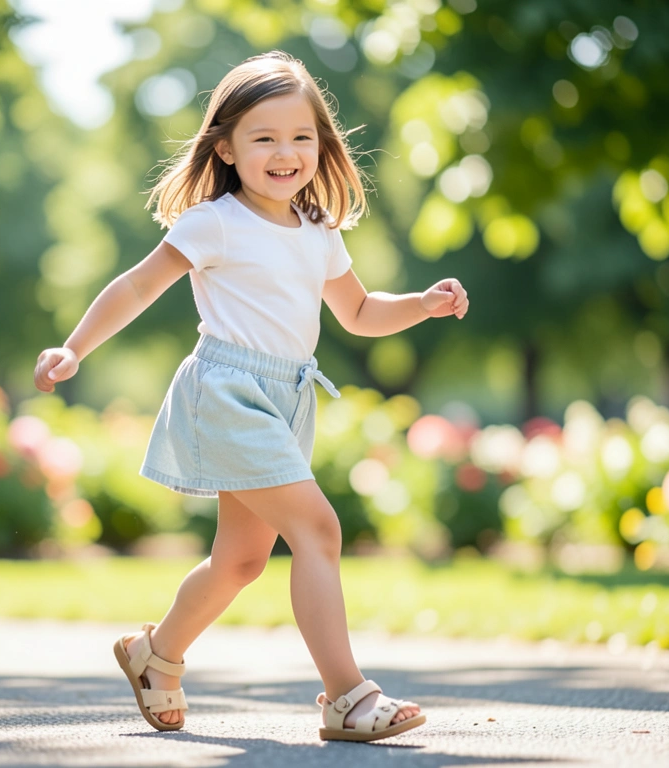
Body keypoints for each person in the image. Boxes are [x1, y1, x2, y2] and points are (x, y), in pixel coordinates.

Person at [33, 51, 468, 743]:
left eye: (301, 136)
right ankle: (346, 697)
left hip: (287, 398)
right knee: (318, 530)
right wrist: (74, 347)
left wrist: (419, 303)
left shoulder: (320, 233)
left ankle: (156, 656)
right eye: (263, 137)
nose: (285, 152)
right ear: (227, 147)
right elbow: (139, 285)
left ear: (322, 145)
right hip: (227, 391)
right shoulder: (217, 222)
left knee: (241, 560)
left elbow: (358, 312)